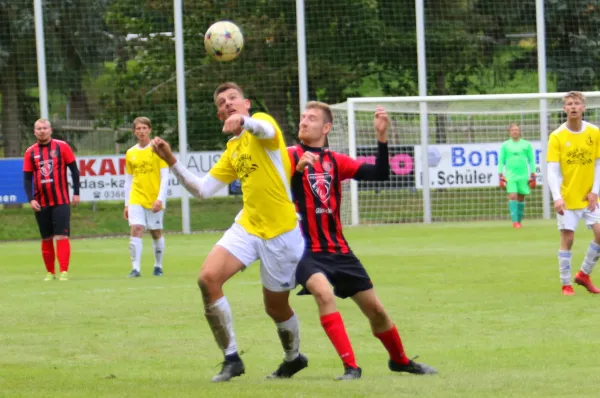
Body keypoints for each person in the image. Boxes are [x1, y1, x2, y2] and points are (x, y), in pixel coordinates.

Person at [151, 82, 308, 382]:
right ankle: (232, 358)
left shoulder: (263, 124)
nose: (227, 104)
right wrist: (171, 161)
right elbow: (202, 189)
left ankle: (293, 358)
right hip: (248, 225)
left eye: (233, 99)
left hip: (282, 232)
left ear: (246, 103)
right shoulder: (233, 149)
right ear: (219, 114)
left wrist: (245, 122)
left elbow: (265, 130)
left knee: (275, 308)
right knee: (207, 279)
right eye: (222, 103)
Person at [288, 101, 437, 380]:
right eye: (302, 117)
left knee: (377, 312)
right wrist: (296, 171)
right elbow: (274, 186)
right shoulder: (289, 156)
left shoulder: (336, 161)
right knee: (323, 293)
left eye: (311, 118)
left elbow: (380, 174)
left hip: (339, 250)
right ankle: (351, 367)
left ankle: (400, 360)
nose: (304, 122)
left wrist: (381, 138)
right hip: (304, 250)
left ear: (326, 127)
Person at [547, 91, 600, 296]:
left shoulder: (594, 133)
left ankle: (584, 275)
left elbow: (597, 163)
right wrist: (557, 197)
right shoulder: (557, 136)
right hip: (567, 197)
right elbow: (552, 169)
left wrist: (595, 192)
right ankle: (566, 284)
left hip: (589, 197)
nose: (573, 107)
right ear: (564, 109)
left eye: (577, 103)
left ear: (584, 107)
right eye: (569, 104)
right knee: (568, 238)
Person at [23, 118, 80, 281]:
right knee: (46, 237)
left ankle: (63, 271)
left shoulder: (62, 147)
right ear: (34, 132)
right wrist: (30, 199)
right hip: (41, 202)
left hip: (61, 200)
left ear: (50, 130)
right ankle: (50, 272)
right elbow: (27, 179)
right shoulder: (30, 152)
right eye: (38, 128)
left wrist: (76, 192)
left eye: (45, 128)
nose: (42, 131)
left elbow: (74, 171)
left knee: (61, 236)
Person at [124, 117, 169, 277]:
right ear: (134, 131)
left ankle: (158, 265)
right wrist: (127, 204)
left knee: (155, 232)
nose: (141, 131)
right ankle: (135, 269)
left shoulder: (157, 150)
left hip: (154, 198)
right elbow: (129, 179)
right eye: (138, 129)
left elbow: (165, 176)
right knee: (136, 229)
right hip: (136, 197)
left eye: (144, 128)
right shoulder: (130, 153)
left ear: (149, 130)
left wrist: (160, 199)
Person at [497, 123, 537, 228]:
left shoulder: (526, 145)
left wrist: (533, 173)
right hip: (510, 175)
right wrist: (500, 173)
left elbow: (531, 160)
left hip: (523, 175)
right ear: (509, 132)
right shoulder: (505, 145)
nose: (515, 132)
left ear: (519, 132)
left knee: (520, 198)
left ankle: (518, 221)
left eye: (516, 130)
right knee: (513, 196)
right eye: (512, 130)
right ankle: (515, 222)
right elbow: (501, 160)